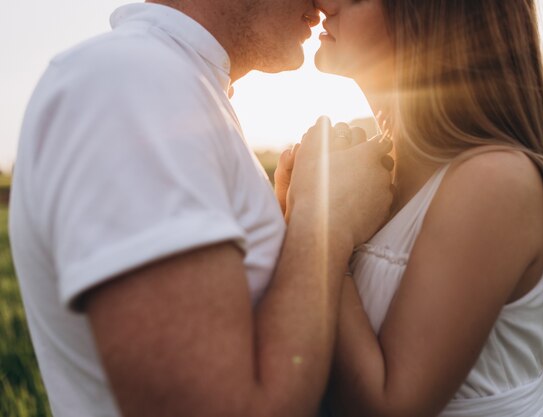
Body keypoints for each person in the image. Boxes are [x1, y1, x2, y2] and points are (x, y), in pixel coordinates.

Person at [8, 1, 394, 416]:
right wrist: (324, 221)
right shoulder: (130, 83)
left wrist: (292, 216)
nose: (323, 1)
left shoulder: (175, 86)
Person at [277, 0, 543, 415]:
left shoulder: (495, 180)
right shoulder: (371, 175)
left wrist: (319, 220)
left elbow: (389, 407)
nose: (325, 3)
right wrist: (295, 212)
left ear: (432, 16)